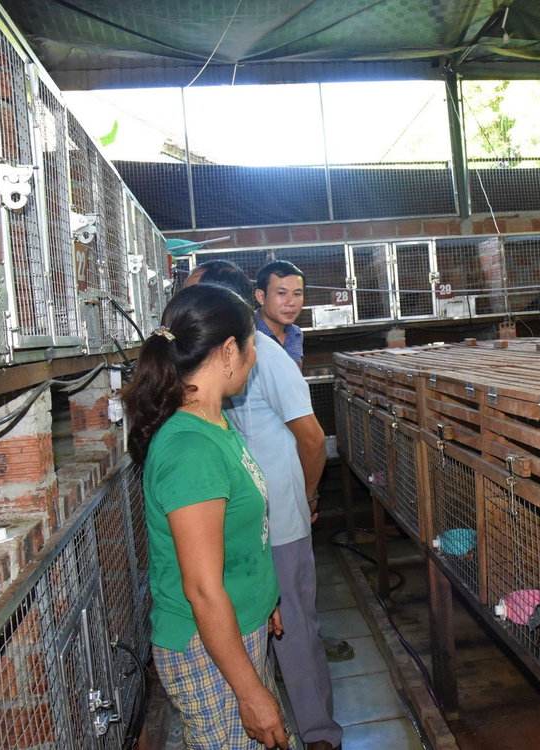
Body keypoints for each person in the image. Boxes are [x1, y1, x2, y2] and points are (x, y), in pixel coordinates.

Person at [122, 284, 298, 750]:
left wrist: (262, 599)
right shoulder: (191, 449)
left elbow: (237, 533)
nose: (255, 358)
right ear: (228, 351)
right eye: (253, 346)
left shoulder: (214, 422)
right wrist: (251, 693)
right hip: (206, 650)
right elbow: (201, 589)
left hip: (232, 632)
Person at [187, 261, 344, 750]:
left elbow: (312, 440)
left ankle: (319, 734)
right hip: (248, 521)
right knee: (267, 624)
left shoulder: (266, 358)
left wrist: (309, 495)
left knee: (294, 628)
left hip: (279, 519)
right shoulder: (216, 366)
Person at [255, 261, 306, 368]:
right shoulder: (246, 334)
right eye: (282, 293)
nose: (291, 302)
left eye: (297, 294)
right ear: (261, 297)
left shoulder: (295, 335)